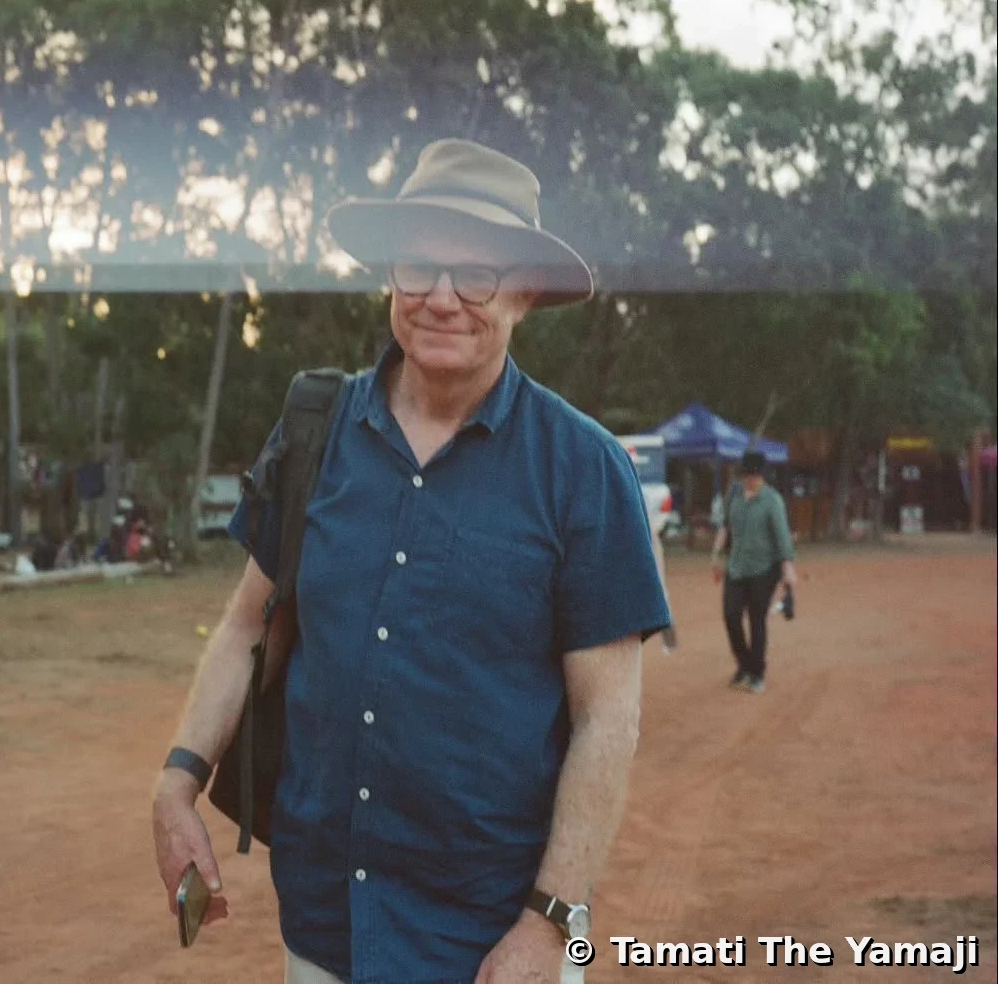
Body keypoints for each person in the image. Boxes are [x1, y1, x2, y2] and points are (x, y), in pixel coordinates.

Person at [151, 139, 672, 984]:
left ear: (526, 292)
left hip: (494, 938)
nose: (441, 298)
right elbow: (254, 620)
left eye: (477, 275)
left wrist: (552, 921)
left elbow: (608, 719)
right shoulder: (316, 431)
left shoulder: (583, 470)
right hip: (324, 922)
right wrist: (179, 779)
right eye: (420, 265)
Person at [710, 450, 797, 694]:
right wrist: (716, 556)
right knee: (731, 615)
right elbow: (725, 527)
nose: (750, 480)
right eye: (747, 475)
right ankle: (744, 664)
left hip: (763, 569)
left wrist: (788, 568)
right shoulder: (735, 495)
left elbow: (782, 538)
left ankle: (756, 673)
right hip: (736, 566)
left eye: (755, 476)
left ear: (763, 476)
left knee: (757, 620)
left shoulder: (772, 501)